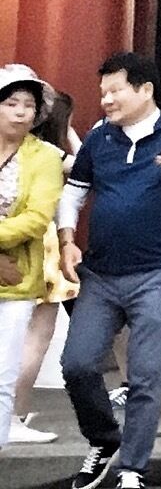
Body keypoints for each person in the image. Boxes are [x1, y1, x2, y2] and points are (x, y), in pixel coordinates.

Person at [57, 48, 161, 489]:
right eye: (103, 92)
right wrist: (68, 241)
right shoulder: (98, 138)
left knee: (146, 375)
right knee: (78, 365)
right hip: (100, 275)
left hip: (158, 274)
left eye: (115, 91)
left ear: (144, 90)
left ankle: (133, 469)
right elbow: (73, 192)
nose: (106, 100)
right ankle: (104, 439)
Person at [0, 67, 68, 451]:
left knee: (4, 371)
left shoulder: (44, 157)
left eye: (28, 105)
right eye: (11, 103)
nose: (21, 112)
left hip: (17, 276)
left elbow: (37, 217)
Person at [11, 83, 82, 443]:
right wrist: (69, 132)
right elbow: (90, 167)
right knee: (35, 338)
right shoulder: (51, 154)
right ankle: (13, 416)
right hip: (44, 249)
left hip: (16, 247)